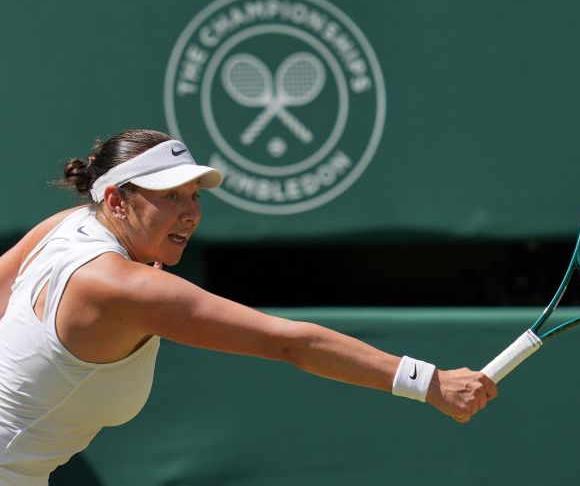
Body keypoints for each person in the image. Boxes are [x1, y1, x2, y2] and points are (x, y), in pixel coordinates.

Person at [0, 129, 497, 485]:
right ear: (116, 202)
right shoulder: (128, 288)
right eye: (170, 196)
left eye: (193, 195)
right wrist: (429, 382)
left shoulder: (68, 225)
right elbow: (289, 342)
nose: (191, 212)